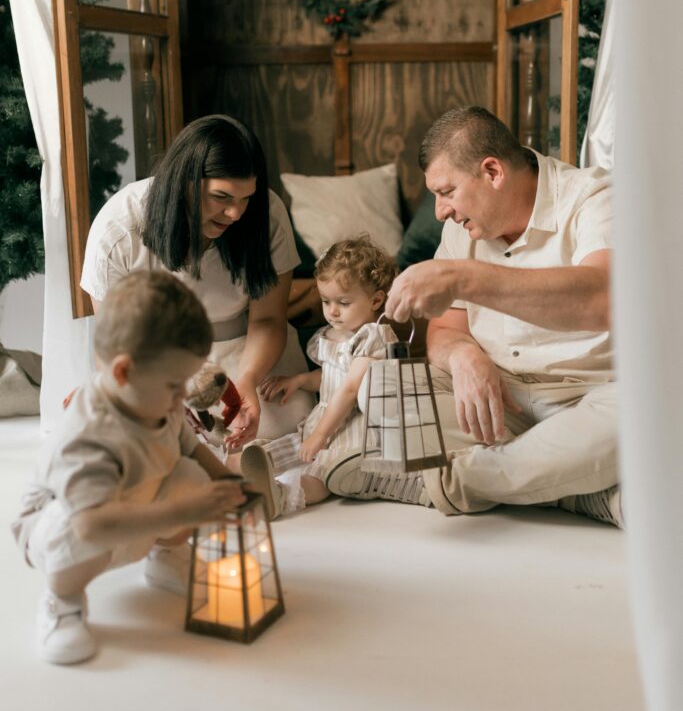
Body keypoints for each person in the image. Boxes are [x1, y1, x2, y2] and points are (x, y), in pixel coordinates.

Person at [324, 106, 622, 528]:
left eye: (446, 191)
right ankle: (575, 487)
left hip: (592, 399)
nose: (441, 210)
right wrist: (465, 356)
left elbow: (603, 299)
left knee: (647, 420)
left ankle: (456, 482)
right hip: (500, 402)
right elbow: (446, 329)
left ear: (493, 172)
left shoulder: (597, 198)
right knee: (377, 386)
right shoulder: (462, 227)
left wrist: (462, 277)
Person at [11, 271, 246, 665]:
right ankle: (62, 602)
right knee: (70, 526)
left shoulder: (159, 402)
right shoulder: (87, 436)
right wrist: (182, 512)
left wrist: (229, 482)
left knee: (191, 476)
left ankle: (165, 557)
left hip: (133, 509)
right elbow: (91, 525)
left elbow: (190, 448)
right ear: (123, 373)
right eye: (175, 384)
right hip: (71, 524)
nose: (182, 397)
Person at [80, 114, 315, 448]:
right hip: (156, 361)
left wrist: (247, 380)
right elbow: (116, 342)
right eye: (222, 197)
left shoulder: (266, 213)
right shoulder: (118, 229)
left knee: (291, 425)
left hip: (249, 350)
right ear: (184, 182)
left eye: (245, 198)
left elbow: (267, 319)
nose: (235, 214)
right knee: (143, 443)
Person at [239, 235, 398, 519]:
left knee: (322, 471)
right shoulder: (330, 335)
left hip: (352, 424)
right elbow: (331, 377)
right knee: (295, 445)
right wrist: (300, 381)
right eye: (326, 301)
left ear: (376, 300)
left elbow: (349, 390)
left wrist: (322, 435)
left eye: (343, 302)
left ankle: (282, 497)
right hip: (324, 416)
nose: (332, 311)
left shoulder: (374, 337)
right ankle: (255, 469)